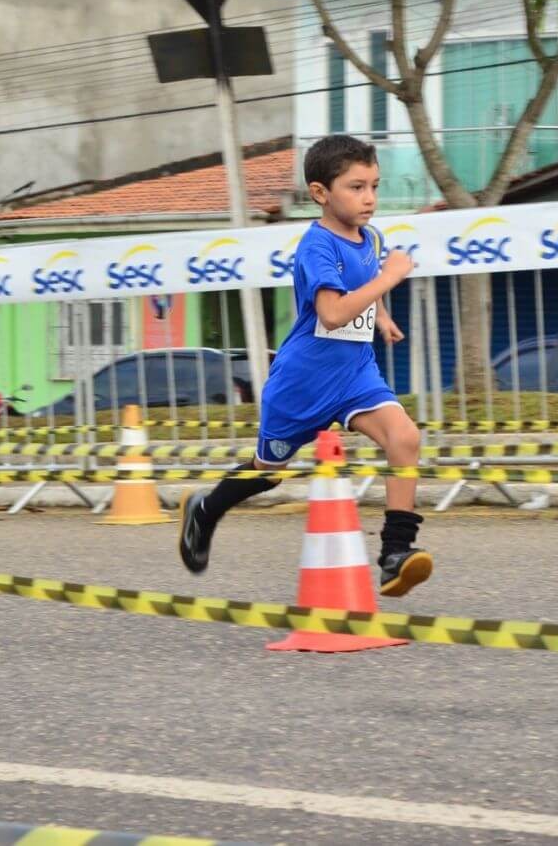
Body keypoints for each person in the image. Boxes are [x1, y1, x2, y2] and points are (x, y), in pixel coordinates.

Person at [178, 135, 431, 597]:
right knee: (267, 471)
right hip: (304, 380)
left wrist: (383, 317)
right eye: (356, 187)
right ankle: (205, 510)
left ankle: (396, 554)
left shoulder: (370, 236)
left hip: (355, 373)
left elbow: (364, 282)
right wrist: (393, 277)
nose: (370, 197)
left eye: (374, 185)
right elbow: (333, 312)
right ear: (320, 193)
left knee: (405, 437)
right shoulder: (316, 246)